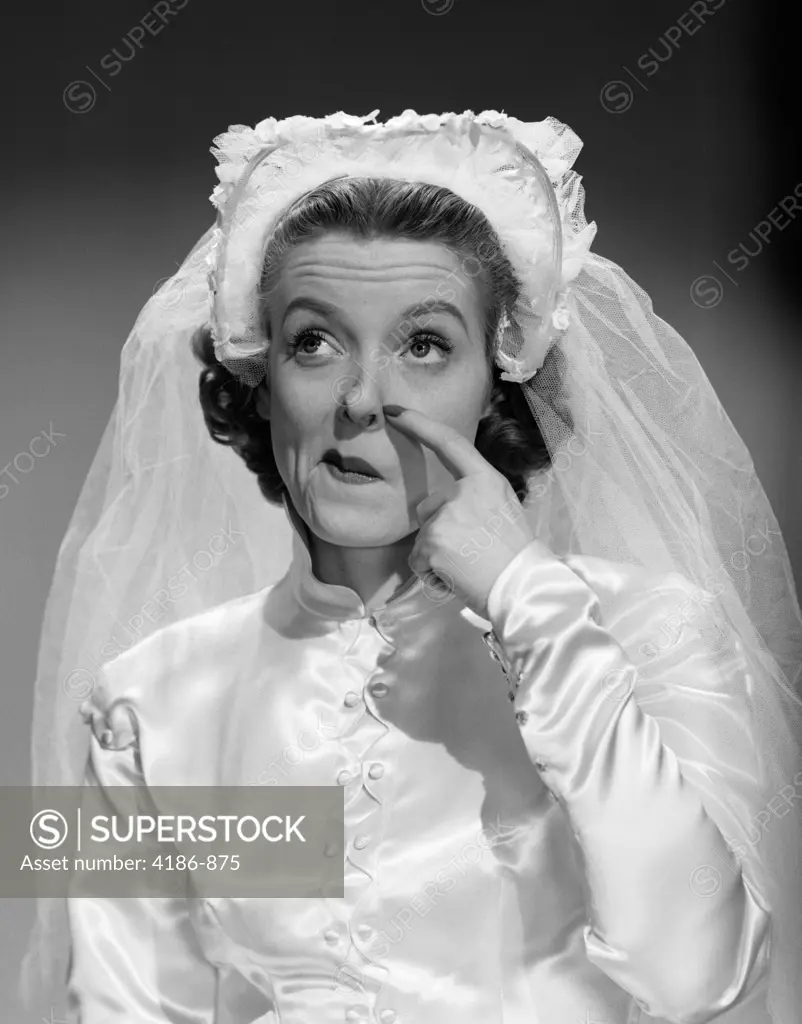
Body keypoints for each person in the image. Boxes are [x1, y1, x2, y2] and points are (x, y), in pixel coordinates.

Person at [20, 109, 802, 1024]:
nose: (362, 399)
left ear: (500, 381)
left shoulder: (651, 632)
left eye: (424, 345)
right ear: (259, 377)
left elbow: (698, 978)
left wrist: (528, 603)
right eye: (315, 341)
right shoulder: (151, 702)